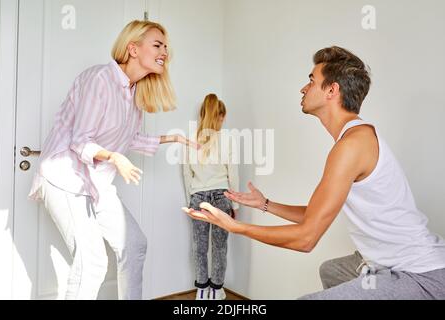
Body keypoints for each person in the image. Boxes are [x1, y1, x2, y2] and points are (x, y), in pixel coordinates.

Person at [183, 46, 445, 299]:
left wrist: (236, 226)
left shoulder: (352, 145)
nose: (303, 88)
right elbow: (313, 216)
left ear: (332, 90)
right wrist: (265, 204)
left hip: (419, 274)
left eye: (311, 80)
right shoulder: (350, 140)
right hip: (385, 263)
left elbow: (307, 239)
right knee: (331, 270)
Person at [28, 20, 198, 300]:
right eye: (157, 45)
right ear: (133, 49)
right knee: (92, 263)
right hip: (65, 177)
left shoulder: (133, 91)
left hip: (95, 182)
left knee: (134, 245)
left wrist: (175, 139)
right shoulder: (100, 79)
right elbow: (81, 140)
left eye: (166, 47)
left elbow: (128, 139)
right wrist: (114, 157)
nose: (165, 52)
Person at [183, 94, 239, 300]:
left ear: (201, 114)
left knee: (199, 246)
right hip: (221, 197)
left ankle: (201, 290)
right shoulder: (227, 139)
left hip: (198, 197)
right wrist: (235, 205)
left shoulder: (189, 139)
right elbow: (232, 173)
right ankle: (216, 291)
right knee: (219, 246)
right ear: (221, 116)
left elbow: (186, 173)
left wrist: (191, 197)